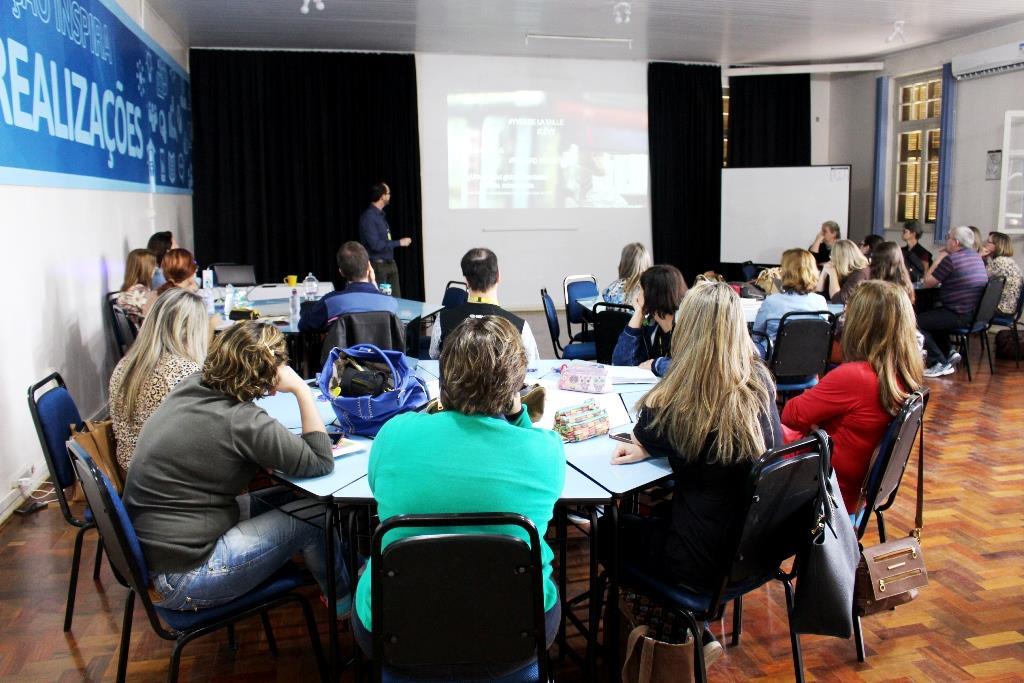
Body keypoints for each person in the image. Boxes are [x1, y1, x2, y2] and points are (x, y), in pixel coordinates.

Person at [353, 315, 565, 674]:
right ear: (516, 389)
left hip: (395, 628)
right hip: (517, 630)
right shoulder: (546, 451)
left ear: (444, 380)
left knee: (366, 568)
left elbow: (379, 490)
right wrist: (518, 415)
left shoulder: (393, 434)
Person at [606, 281, 781, 665]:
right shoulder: (761, 384)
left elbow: (645, 431)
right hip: (753, 550)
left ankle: (657, 636)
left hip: (699, 559)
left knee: (610, 532)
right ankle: (694, 631)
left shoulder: (685, 399)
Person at [123, 322, 350, 615]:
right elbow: (320, 461)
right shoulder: (243, 421)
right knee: (316, 515)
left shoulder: (192, 384)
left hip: (161, 549)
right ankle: (345, 603)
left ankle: (351, 570)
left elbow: (216, 447)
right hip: (187, 576)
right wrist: (299, 389)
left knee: (295, 501)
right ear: (267, 375)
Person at [782, 281, 924, 515]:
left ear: (861, 324)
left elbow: (791, 414)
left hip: (828, 490)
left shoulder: (855, 377)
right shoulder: (904, 374)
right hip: (860, 491)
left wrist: (815, 399)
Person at [109, 289, 209, 473]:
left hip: (131, 469)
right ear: (191, 331)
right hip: (165, 479)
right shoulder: (183, 371)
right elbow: (205, 432)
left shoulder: (126, 363)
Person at [428, 248, 539, 361]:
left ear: (466, 281)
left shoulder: (442, 321)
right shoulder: (520, 327)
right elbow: (533, 366)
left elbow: (434, 358)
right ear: (498, 276)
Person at [917, 225, 988, 377]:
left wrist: (940, 257)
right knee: (933, 317)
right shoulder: (976, 257)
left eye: (948, 238)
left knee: (914, 322)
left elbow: (927, 282)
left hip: (957, 314)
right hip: (972, 313)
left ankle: (938, 362)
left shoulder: (952, 259)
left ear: (955, 242)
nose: (946, 241)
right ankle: (949, 352)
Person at [298, 241, 398, 332]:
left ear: (341, 272)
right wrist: (375, 287)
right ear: (369, 268)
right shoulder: (390, 303)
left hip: (343, 352)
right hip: (380, 352)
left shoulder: (330, 302)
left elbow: (303, 325)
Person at [611, 265, 687, 376]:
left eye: (640, 290)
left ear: (652, 295)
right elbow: (620, 364)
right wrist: (638, 314)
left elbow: (689, 368)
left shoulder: (689, 325)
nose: (637, 296)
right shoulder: (651, 325)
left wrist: (656, 365)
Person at [752, 249, 829, 358]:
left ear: (785, 272)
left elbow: (756, 336)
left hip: (774, 365)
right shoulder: (820, 301)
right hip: (809, 363)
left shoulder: (771, 302)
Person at [358, 182, 412, 298]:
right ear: (382, 196)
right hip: (379, 266)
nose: (390, 196)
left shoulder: (380, 216)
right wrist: (399, 242)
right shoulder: (369, 217)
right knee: (380, 300)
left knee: (397, 300)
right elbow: (375, 245)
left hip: (390, 263)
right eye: (388, 193)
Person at [982, 231, 1023, 317]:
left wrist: (979, 257)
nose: (984, 243)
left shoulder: (998, 262)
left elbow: (978, 280)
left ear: (997, 246)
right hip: (1010, 307)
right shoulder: (1008, 260)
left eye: (988, 242)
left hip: (1001, 308)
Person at [817, 239, 871, 304]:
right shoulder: (841, 269)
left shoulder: (860, 273)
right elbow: (818, 294)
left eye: (833, 256)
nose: (831, 259)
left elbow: (838, 300)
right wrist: (824, 272)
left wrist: (833, 274)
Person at [116, 249, 158, 326]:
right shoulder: (140, 293)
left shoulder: (129, 290)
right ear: (144, 268)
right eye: (153, 265)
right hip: (145, 335)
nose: (156, 269)